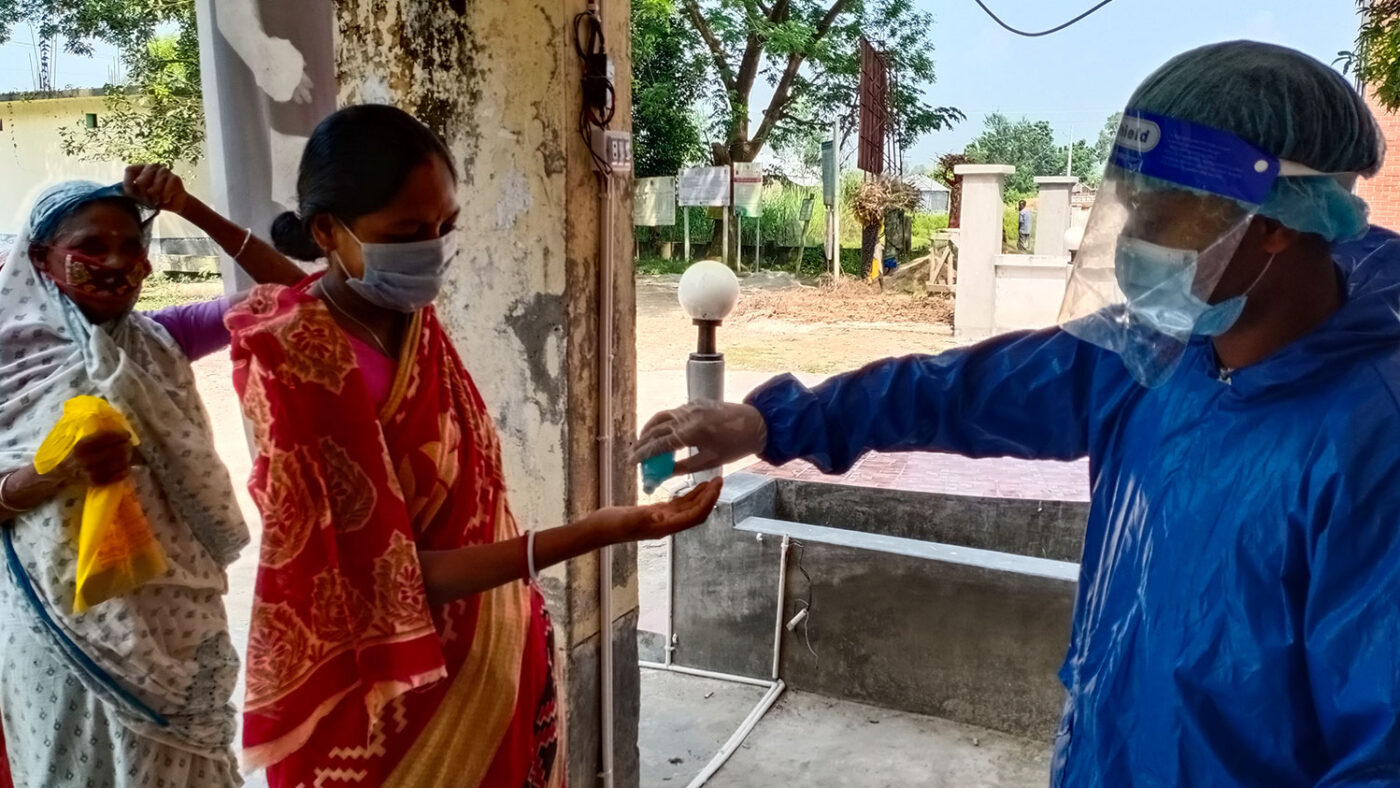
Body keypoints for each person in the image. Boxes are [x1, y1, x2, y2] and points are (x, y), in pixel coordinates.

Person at [635, 41, 1400, 785]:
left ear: (1273, 221)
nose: (1133, 245)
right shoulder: (1154, 360)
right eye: (1128, 212)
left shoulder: (1370, 442)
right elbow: (956, 389)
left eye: (1163, 217)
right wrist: (770, 423)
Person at [225, 104, 722, 787]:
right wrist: (597, 532)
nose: (432, 248)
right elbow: (385, 579)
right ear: (328, 231)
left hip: (498, 650)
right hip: (393, 711)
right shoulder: (300, 364)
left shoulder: (407, 320)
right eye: (407, 232)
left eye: (444, 228)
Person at [0, 167, 305, 787]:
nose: (117, 262)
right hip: (55, 630)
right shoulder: (9, 360)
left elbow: (301, 294)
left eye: (133, 246)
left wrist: (193, 208)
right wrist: (44, 476)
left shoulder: (163, 339)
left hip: (175, 627)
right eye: (91, 247)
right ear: (41, 258)